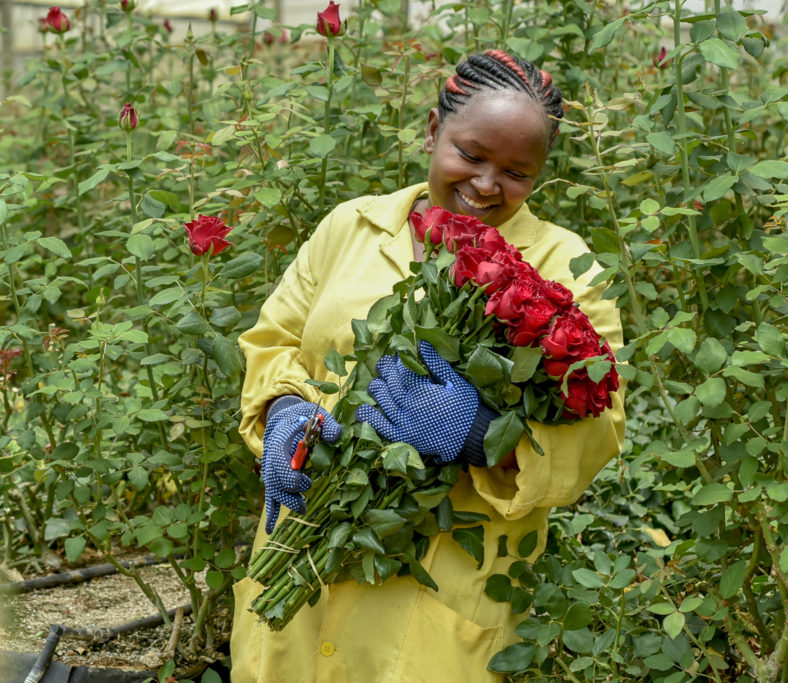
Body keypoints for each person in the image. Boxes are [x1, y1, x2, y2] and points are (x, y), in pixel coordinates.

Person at [230, 50, 626, 682]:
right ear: (432, 130)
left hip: (442, 589)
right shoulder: (350, 227)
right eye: (470, 154)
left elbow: (601, 427)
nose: (488, 184)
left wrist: (477, 436)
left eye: (517, 171)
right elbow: (272, 341)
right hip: (303, 549)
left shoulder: (562, 263)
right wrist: (283, 413)